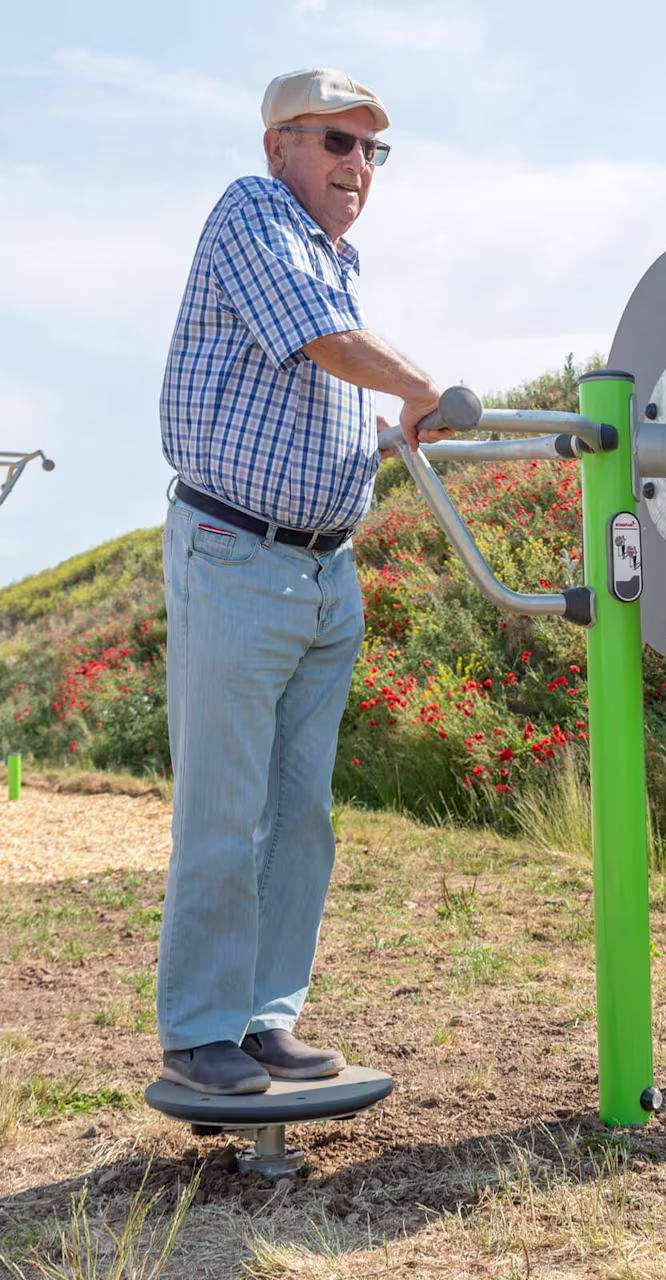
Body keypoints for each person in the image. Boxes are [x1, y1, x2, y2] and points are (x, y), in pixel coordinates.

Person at [154, 69, 451, 1094]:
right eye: (335, 142)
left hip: (323, 567)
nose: (356, 166)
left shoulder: (337, 259)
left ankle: (264, 1017)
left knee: (301, 814)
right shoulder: (253, 211)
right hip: (237, 553)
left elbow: (313, 380)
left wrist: (380, 430)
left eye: (372, 150)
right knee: (226, 808)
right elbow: (321, 340)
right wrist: (417, 387)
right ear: (279, 144)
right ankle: (201, 1029)